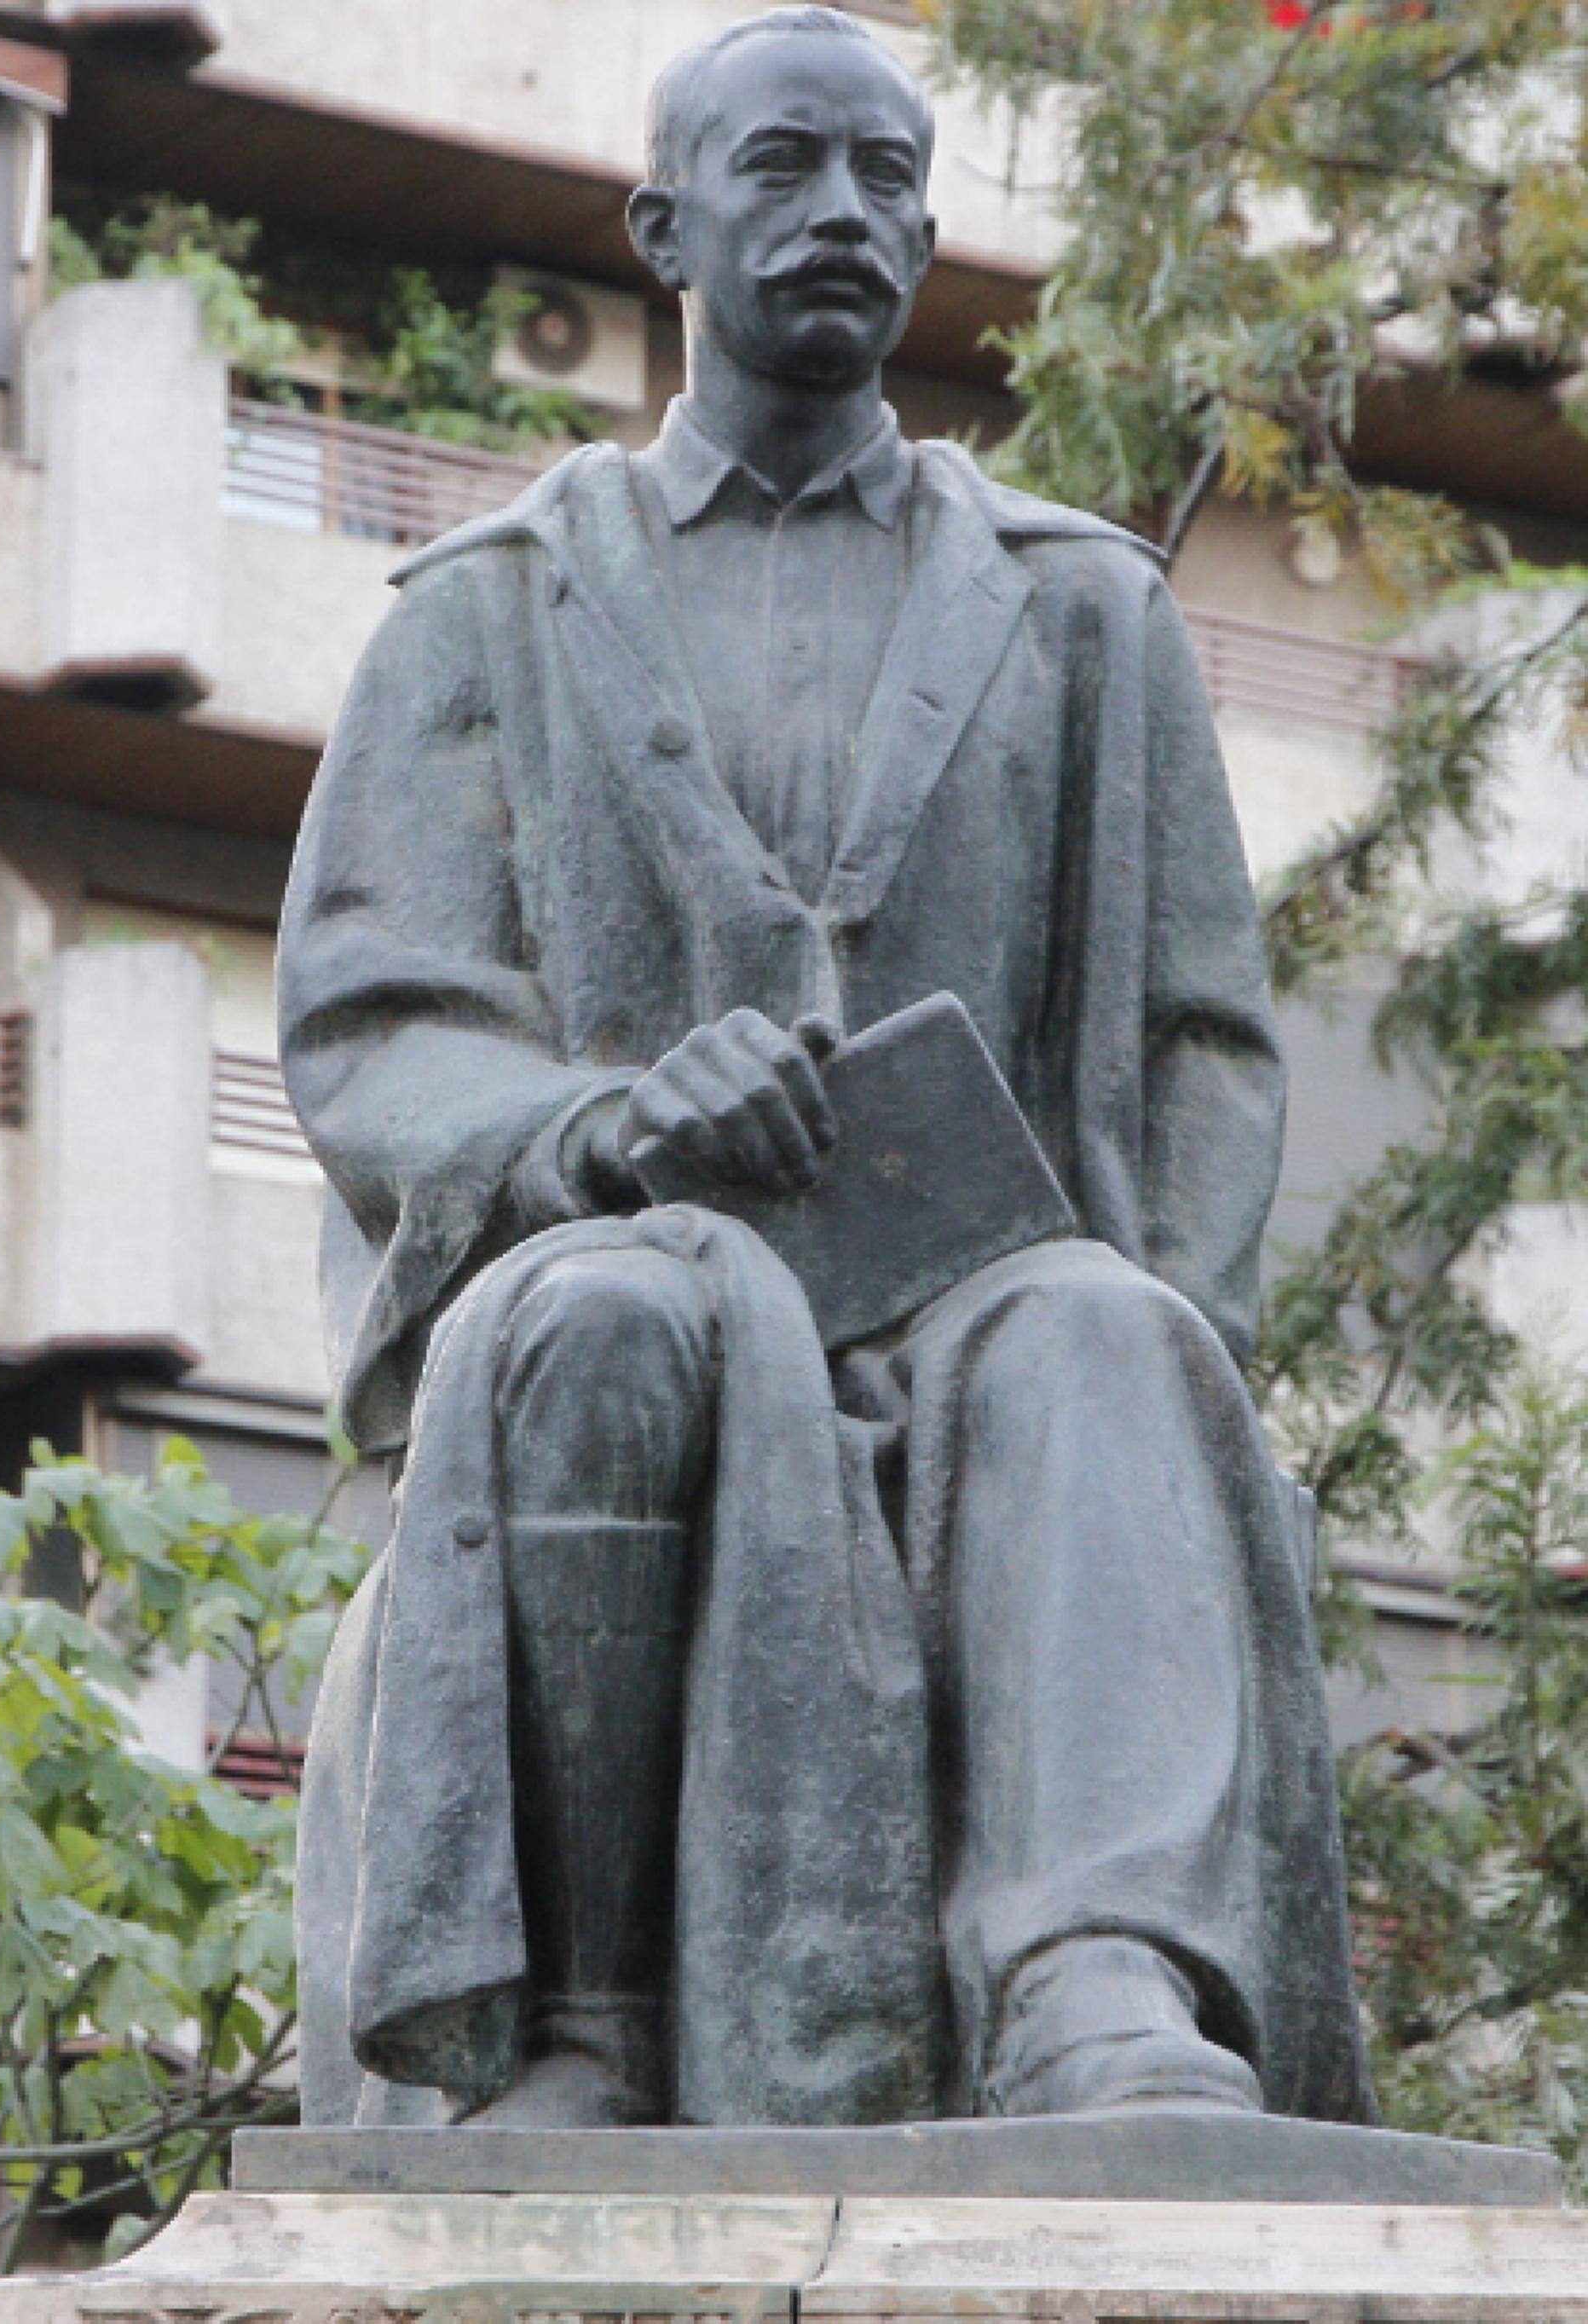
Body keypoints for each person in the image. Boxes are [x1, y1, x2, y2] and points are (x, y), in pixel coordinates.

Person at [280, 4, 1372, 2133]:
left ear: (931, 239)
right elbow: (373, 1014)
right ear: (662, 227)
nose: (844, 211)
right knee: (597, 1323)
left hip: (982, 1288)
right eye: (783, 166)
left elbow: (1200, 1044)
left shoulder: (1084, 611)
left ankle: (1092, 1970)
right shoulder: (484, 611)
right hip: (627, 1254)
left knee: (1101, 1336)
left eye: (888, 177)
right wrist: (599, 1123)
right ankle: (583, 2021)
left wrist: (1180, 1346)